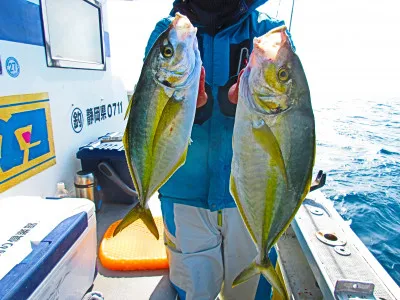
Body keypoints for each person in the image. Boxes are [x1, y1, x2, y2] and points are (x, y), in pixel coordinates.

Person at [144, 1, 294, 299]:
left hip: (251, 196)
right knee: (193, 291)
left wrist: (232, 105)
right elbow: (150, 109)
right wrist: (194, 111)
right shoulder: (170, 32)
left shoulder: (268, 34)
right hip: (183, 192)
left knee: (249, 293)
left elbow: (288, 110)